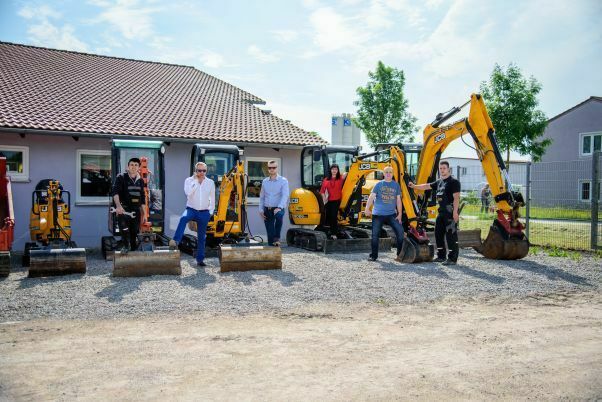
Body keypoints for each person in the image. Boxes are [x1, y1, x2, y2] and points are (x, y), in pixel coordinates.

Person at [409, 161, 461, 265]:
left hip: (450, 213)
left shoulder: (454, 182)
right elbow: (426, 186)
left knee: (451, 236)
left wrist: (455, 212)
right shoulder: (439, 182)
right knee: (438, 234)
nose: (442, 170)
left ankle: (452, 258)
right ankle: (441, 256)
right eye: (440, 168)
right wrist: (414, 186)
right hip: (441, 213)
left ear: (448, 169)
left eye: (444, 168)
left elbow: (456, 198)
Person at [170, 162, 215, 266]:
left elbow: (212, 198)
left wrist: (210, 212)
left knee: (201, 237)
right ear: (195, 171)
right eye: (199, 170)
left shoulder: (210, 182)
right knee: (183, 218)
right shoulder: (189, 180)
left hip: (204, 212)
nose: (202, 173)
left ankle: (200, 259)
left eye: (204, 171)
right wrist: (196, 181)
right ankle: (176, 241)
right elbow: (188, 193)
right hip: (191, 209)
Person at [364, 166, 405, 262]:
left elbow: (398, 200)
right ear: (383, 174)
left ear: (392, 173)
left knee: (400, 232)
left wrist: (400, 214)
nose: (388, 173)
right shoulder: (378, 184)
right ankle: (373, 256)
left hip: (391, 214)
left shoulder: (396, 185)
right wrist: (367, 208)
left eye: (390, 172)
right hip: (378, 214)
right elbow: (371, 197)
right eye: (386, 172)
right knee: (375, 235)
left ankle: (400, 255)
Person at [111, 157, 147, 253]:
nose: (133, 167)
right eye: (131, 165)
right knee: (124, 228)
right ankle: (126, 246)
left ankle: (133, 250)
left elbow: (143, 198)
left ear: (139, 167)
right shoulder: (121, 177)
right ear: (128, 166)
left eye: (136, 165)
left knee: (134, 231)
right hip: (123, 209)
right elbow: (115, 192)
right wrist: (118, 206)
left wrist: (145, 214)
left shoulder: (141, 181)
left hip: (136, 210)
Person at [259, 160, 289, 246]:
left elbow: (285, 195)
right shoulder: (265, 181)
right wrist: (260, 210)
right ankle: (272, 246)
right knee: (270, 232)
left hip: (279, 207)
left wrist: (279, 207)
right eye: (270, 168)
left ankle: (277, 237)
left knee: (279, 216)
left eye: (274, 167)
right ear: (268, 169)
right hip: (267, 209)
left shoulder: (283, 181)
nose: (272, 169)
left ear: (277, 168)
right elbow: (262, 197)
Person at [320, 164, 346, 239]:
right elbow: (322, 191)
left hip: (337, 200)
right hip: (328, 200)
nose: (334, 171)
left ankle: (334, 233)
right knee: (327, 216)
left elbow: (346, 174)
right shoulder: (326, 179)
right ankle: (328, 232)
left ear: (338, 171)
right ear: (330, 170)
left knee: (333, 216)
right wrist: (324, 198)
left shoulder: (340, 178)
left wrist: (345, 173)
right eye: (333, 169)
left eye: (336, 169)